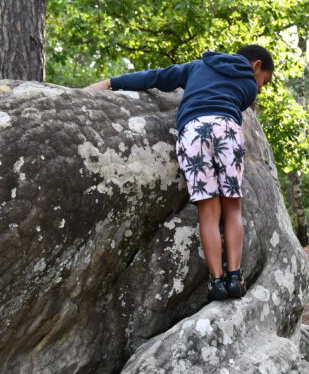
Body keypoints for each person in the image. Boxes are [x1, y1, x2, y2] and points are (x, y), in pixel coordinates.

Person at [87, 45, 274, 301]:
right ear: (256, 65)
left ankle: (216, 282)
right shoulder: (249, 86)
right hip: (227, 130)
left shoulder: (198, 66)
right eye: (265, 80)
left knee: (208, 211)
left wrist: (110, 83)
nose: (261, 88)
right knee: (232, 207)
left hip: (193, 131)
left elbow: (155, 77)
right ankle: (234, 278)